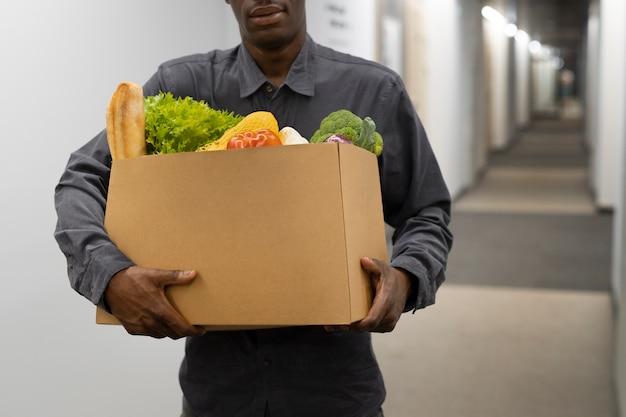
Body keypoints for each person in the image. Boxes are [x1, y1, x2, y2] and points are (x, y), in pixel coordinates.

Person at [54, 1, 453, 416]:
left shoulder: (373, 89)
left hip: (335, 392)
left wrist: (406, 277)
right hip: (217, 393)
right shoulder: (185, 82)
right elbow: (82, 178)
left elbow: (427, 212)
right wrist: (111, 276)